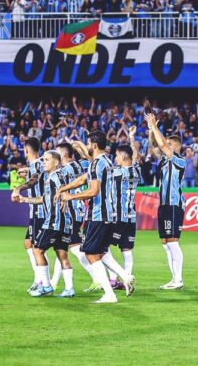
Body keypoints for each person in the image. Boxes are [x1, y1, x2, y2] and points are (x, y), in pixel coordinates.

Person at [58, 130, 135, 304]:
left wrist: (70, 196)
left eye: (87, 144)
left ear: (93, 145)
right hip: (111, 214)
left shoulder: (96, 163)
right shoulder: (106, 161)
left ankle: (109, 294)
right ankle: (125, 276)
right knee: (101, 251)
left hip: (99, 214)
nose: (86, 147)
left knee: (91, 253)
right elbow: (82, 179)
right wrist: (64, 188)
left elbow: (93, 190)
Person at [13, 151, 74, 298]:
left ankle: (46, 285)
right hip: (65, 222)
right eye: (43, 160)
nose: (44, 162)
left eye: (47, 160)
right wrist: (24, 200)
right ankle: (69, 289)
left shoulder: (56, 176)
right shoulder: (51, 178)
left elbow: (65, 188)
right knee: (62, 254)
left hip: (54, 221)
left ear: (56, 163)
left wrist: (66, 196)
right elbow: (44, 199)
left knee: (37, 250)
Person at [145, 113, 186, 289]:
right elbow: (153, 145)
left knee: (172, 241)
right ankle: (174, 278)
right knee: (166, 243)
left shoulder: (178, 160)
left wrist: (154, 126)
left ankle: (178, 279)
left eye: (169, 144)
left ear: (175, 147)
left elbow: (161, 144)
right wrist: (150, 129)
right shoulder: (163, 161)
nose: (164, 146)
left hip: (173, 204)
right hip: (164, 204)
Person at [103, 127, 142, 291]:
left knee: (102, 248)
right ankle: (128, 277)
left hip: (117, 216)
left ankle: (114, 279)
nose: (115, 158)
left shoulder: (116, 173)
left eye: (117, 155)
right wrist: (132, 138)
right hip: (131, 217)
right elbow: (136, 155)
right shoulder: (137, 170)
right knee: (126, 249)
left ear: (124, 156)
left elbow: (99, 165)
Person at [49, 142, 92, 289]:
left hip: (70, 209)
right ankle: (53, 282)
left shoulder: (64, 170)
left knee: (74, 247)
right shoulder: (82, 165)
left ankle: (99, 277)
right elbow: (91, 159)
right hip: (79, 208)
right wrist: (81, 147)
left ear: (63, 154)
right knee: (61, 247)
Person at [15, 137, 46, 294]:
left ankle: (42, 282)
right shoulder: (38, 164)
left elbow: (34, 180)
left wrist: (20, 187)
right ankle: (38, 279)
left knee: (37, 248)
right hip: (35, 212)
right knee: (28, 244)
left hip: (40, 211)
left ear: (27, 151)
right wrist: (26, 172)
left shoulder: (38, 165)